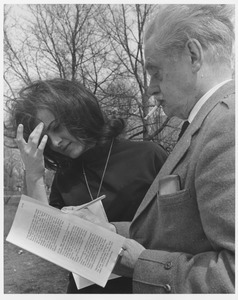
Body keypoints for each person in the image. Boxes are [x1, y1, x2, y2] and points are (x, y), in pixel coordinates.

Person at [68, 5, 235, 293]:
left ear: (193, 55)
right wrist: (108, 232)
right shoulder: (206, 124)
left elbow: (231, 277)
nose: (150, 88)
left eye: (155, 72)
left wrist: (139, 264)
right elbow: (178, 232)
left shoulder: (227, 127)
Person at [7, 78, 168, 293]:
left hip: (145, 287)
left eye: (57, 128)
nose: (56, 142)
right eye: (47, 137)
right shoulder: (64, 178)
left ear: (79, 112)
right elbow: (46, 244)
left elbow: (177, 228)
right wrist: (34, 176)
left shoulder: (148, 156)